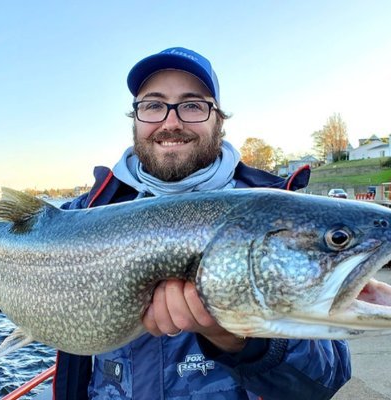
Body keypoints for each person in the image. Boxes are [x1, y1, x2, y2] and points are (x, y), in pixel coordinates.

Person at [53, 47, 351, 400]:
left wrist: (238, 340)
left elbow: (325, 378)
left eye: (192, 105)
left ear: (219, 120)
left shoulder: (275, 212)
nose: (171, 122)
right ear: (135, 119)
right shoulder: (86, 210)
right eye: (153, 105)